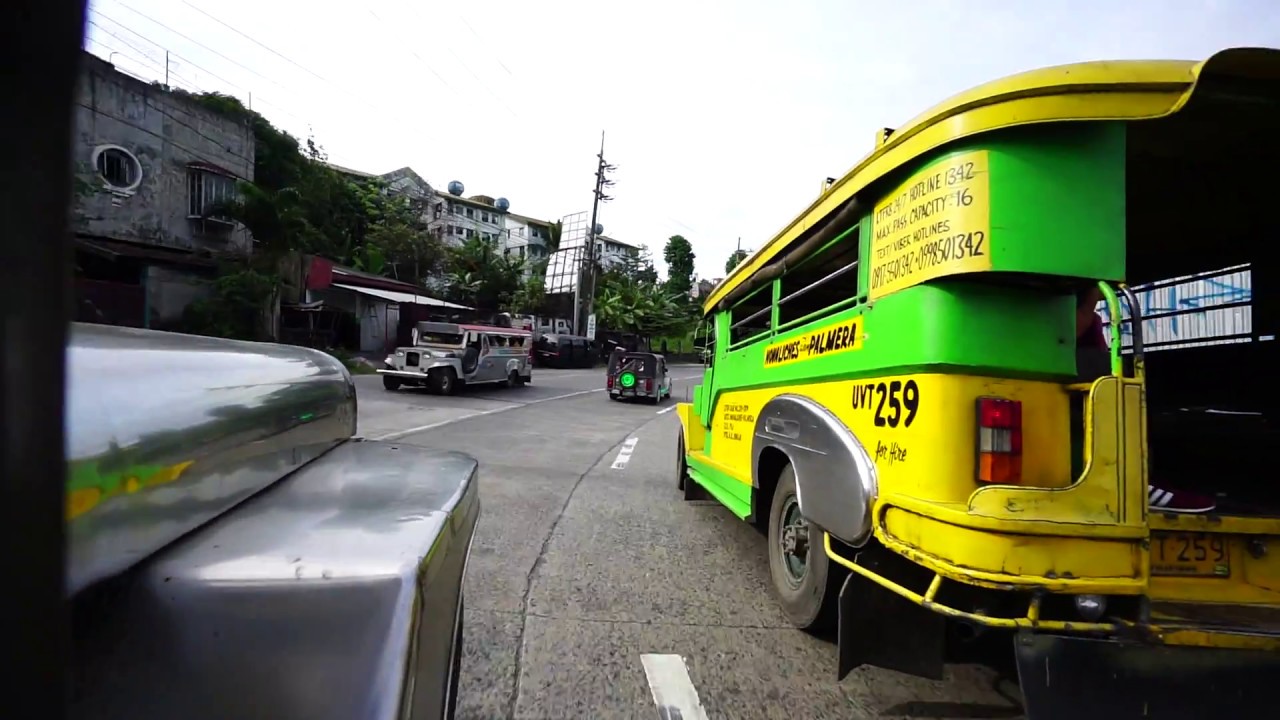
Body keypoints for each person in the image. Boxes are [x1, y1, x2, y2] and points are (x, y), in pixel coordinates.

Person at [1076, 287, 1216, 513]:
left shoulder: (1091, 318)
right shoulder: (1072, 314)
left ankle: (1138, 480)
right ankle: (1133, 485)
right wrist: (1091, 296)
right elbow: (1064, 336)